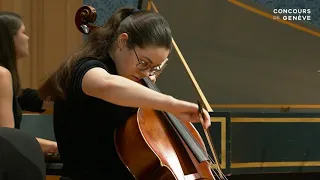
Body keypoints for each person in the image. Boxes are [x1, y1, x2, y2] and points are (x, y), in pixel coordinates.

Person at [38, 7, 211, 179]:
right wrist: (172, 104)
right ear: (122, 41)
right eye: (144, 62)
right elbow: (108, 85)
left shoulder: (133, 80)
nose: (147, 74)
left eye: (155, 68)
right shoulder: (85, 68)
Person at [0, 11, 58, 154]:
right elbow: (7, 139)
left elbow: (24, 97)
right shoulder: (2, 75)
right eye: (23, 32)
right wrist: (55, 147)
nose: (27, 37)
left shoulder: (10, 84)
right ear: (8, 38)